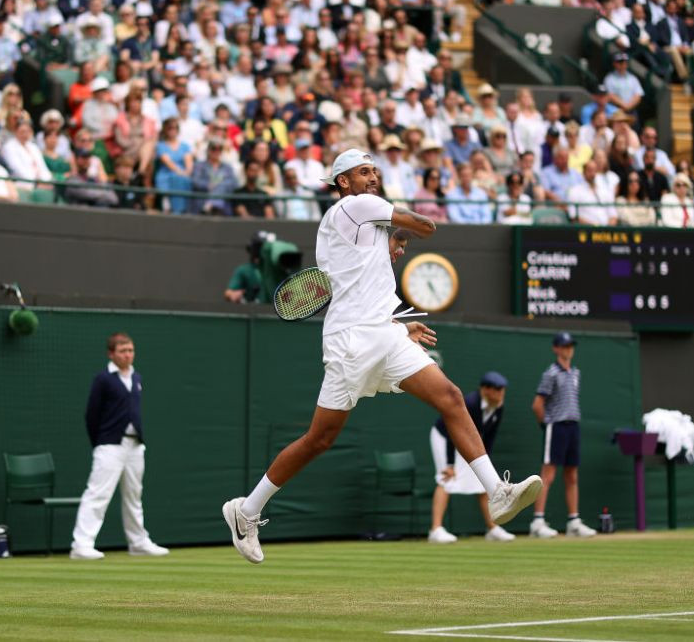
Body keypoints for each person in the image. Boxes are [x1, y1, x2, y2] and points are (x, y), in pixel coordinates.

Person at [222, 149, 542, 564]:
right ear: (343, 182)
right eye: (363, 171)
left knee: (450, 397)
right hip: (351, 340)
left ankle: (497, 492)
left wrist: (398, 322)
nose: (372, 177)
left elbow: (368, 282)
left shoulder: (366, 225)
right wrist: (405, 228)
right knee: (320, 439)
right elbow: (426, 226)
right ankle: (246, 511)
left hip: (383, 334)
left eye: (375, 171)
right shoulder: (357, 206)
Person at [70, 333, 170, 560]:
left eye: (131, 350)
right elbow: (91, 416)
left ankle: (138, 542)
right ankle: (81, 545)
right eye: (123, 351)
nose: (128, 355)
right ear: (111, 354)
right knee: (97, 494)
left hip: (135, 447)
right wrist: (100, 443)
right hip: (109, 446)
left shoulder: (136, 378)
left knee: (134, 496)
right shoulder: (103, 379)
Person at [428, 372, 515, 544]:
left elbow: (488, 438)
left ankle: (493, 528)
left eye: (502, 389)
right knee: (446, 477)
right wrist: (450, 463)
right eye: (497, 389)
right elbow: (452, 433)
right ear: (485, 390)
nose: (500, 393)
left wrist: (486, 464)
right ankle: (435, 530)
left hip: (464, 439)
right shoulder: (471, 403)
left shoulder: (498, 406)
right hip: (444, 437)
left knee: (483, 480)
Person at [530, 332, 596, 539]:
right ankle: (538, 522)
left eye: (570, 346)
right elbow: (537, 405)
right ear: (556, 349)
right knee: (548, 475)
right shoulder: (551, 373)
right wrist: (547, 425)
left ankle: (573, 522)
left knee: (572, 475)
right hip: (556, 427)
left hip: (573, 427)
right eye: (564, 346)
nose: (568, 349)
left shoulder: (576, 373)